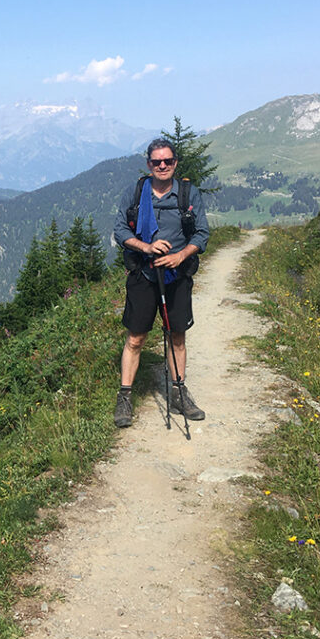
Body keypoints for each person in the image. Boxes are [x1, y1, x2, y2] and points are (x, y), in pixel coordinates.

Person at [112, 138, 210, 428]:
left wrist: (180, 256)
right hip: (143, 274)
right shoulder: (136, 192)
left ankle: (179, 392)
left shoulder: (188, 194)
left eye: (167, 161)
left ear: (175, 163)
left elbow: (202, 234)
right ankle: (125, 396)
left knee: (176, 335)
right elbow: (119, 231)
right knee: (136, 338)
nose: (163, 166)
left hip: (177, 277)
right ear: (149, 164)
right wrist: (144, 248)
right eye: (157, 162)